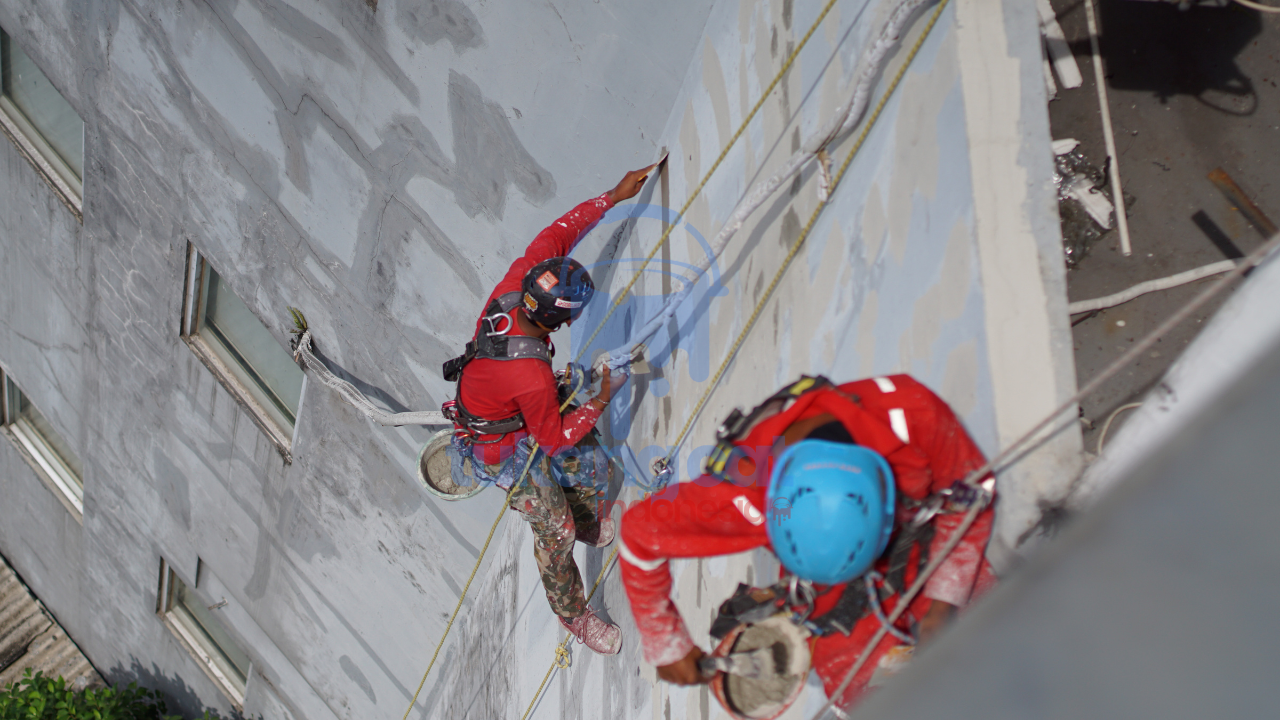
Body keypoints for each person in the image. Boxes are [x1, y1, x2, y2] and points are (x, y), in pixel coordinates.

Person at [618, 374, 997, 711]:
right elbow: (639, 537)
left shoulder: (909, 414)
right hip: (831, 590)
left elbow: (973, 492)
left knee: (1002, 626)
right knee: (869, 696)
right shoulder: (741, 495)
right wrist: (666, 643)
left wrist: (945, 602)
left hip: (923, 540)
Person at [441, 164, 655, 656]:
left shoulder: (520, 283)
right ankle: (574, 615)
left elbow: (558, 233)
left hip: (514, 412)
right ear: (557, 325)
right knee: (553, 529)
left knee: (595, 464)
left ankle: (584, 519)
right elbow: (554, 438)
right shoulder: (530, 374)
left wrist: (611, 196)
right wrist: (602, 397)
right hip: (500, 449)